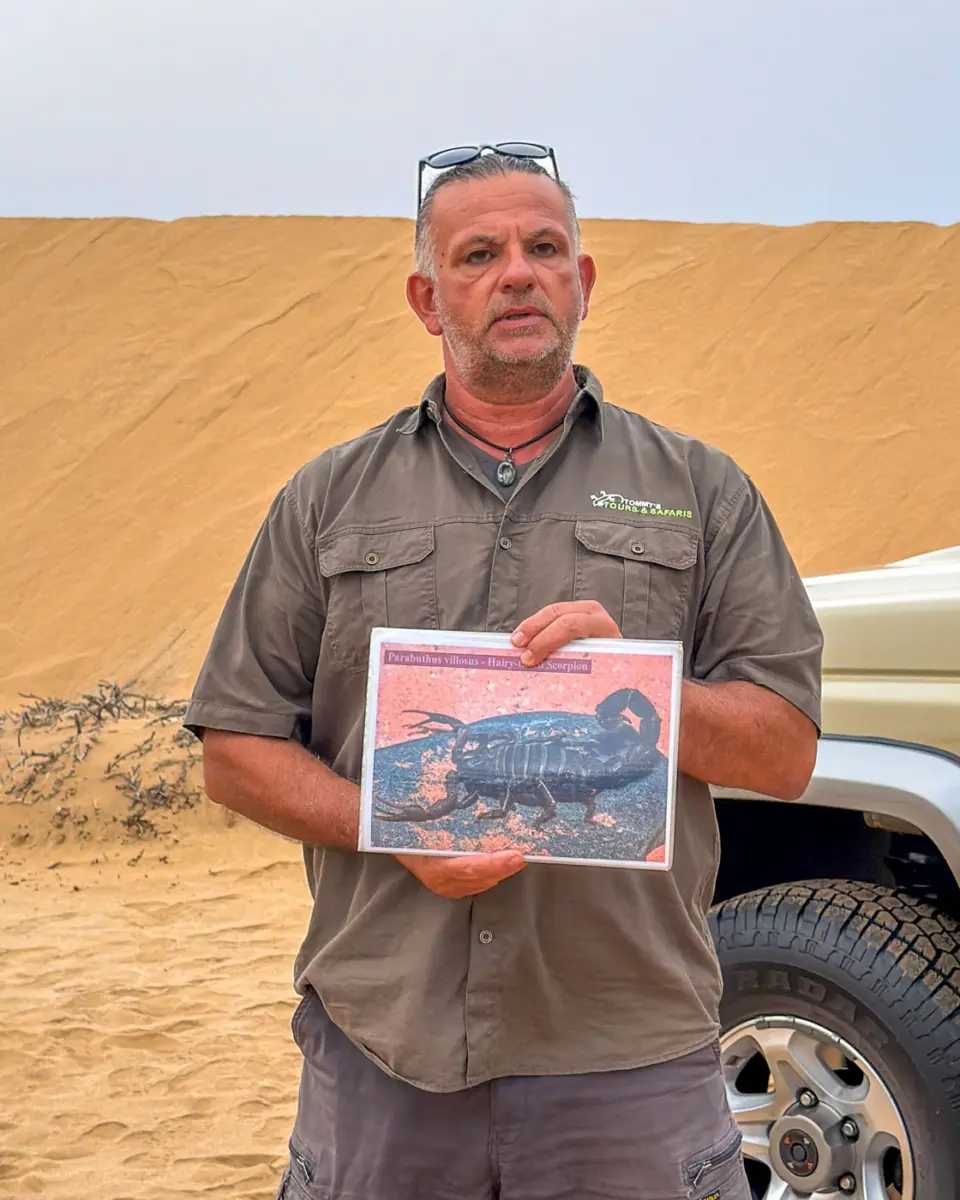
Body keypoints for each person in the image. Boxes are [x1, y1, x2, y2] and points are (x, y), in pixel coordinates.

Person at [183, 143, 823, 1200]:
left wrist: (641, 690)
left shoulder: (702, 492)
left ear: (584, 280)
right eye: (479, 255)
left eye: (545, 248)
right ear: (427, 299)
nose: (518, 274)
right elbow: (233, 748)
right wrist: (390, 826)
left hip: (628, 1052)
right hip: (387, 1046)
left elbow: (786, 750)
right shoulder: (328, 498)